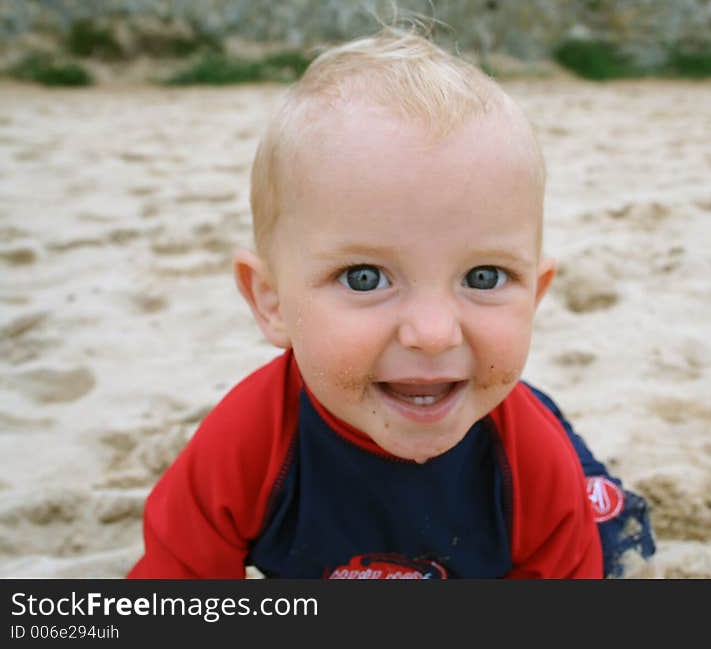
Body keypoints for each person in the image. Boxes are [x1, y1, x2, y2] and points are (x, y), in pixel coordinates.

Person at [128, 28, 654, 579]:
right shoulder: (246, 446)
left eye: (483, 275)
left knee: (618, 546)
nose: (432, 333)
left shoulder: (534, 466)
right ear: (272, 302)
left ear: (535, 297)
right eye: (363, 278)